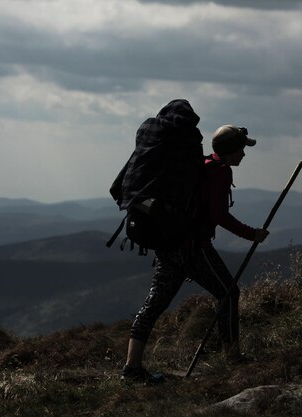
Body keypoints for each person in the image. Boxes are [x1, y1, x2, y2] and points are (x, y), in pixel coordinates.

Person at [121, 124, 269, 383]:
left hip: (170, 245)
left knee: (154, 304)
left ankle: (131, 368)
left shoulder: (203, 164)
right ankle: (233, 357)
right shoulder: (221, 172)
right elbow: (218, 215)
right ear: (231, 150)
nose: (244, 154)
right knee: (228, 293)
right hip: (193, 247)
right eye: (242, 149)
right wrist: (251, 234)